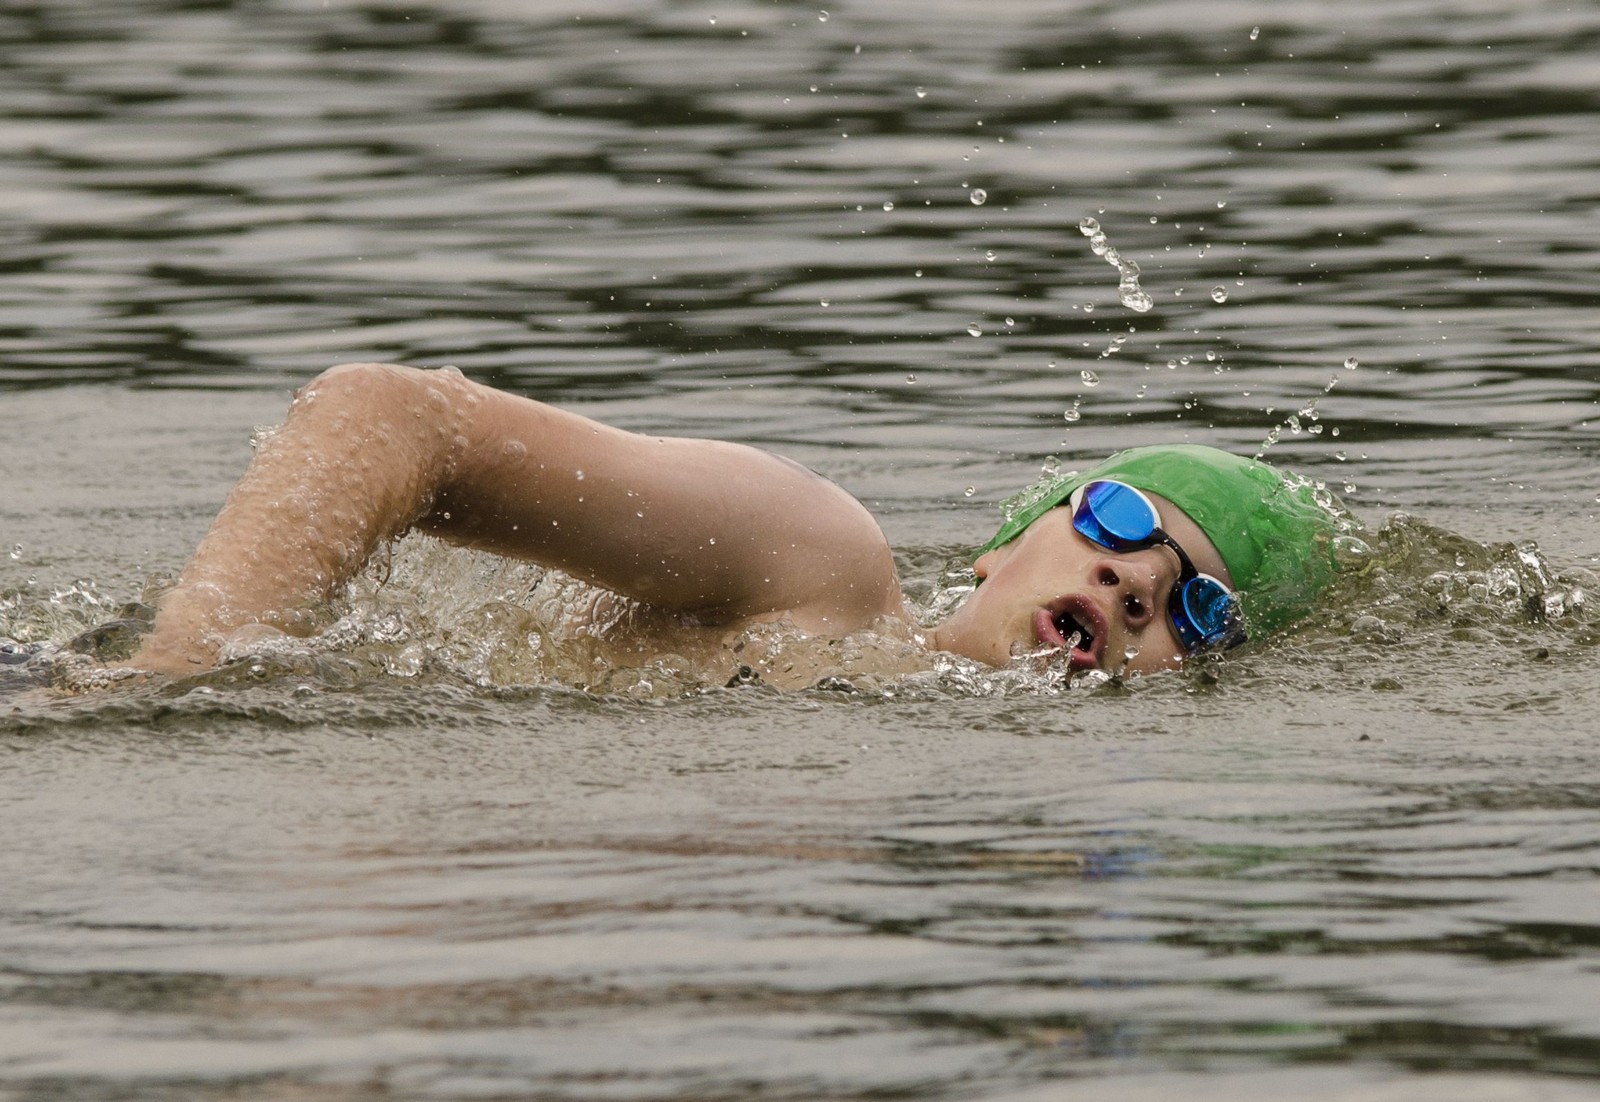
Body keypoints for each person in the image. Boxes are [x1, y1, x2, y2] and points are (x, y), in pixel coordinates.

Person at [128, 362, 1343, 682]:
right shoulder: (819, 568)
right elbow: (389, 418)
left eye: (1195, 606)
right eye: (1117, 521)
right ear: (1005, 543)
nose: (1136, 581)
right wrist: (175, 676)